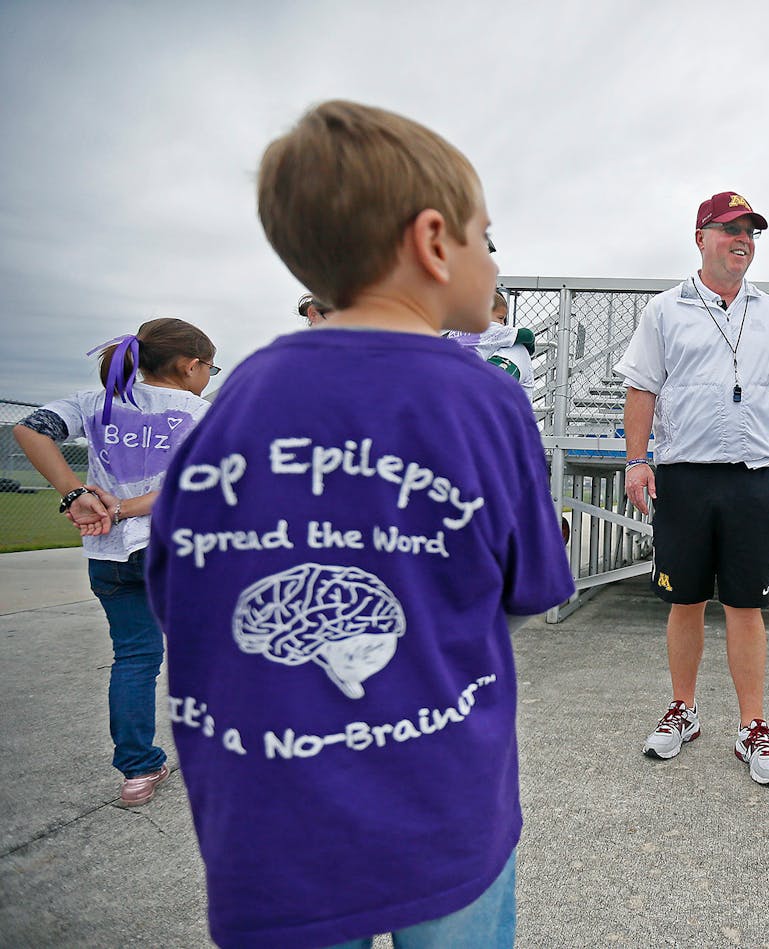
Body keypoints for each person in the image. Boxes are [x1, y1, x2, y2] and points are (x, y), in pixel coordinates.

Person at [144, 100, 574, 949]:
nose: (492, 261)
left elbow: (178, 590)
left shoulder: (232, 402)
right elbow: (529, 592)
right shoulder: (485, 400)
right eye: (487, 238)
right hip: (441, 814)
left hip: (269, 829)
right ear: (432, 242)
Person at [615, 191, 769, 787]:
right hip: (685, 475)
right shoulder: (665, 310)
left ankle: (752, 725)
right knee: (684, 600)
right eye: (730, 228)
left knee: (746, 604)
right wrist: (636, 460)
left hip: (754, 477)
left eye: (751, 231)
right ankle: (684, 709)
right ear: (700, 236)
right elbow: (642, 389)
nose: (742, 239)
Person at [13, 318, 217, 807]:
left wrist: (77, 494)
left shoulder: (95, 402)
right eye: (210, 366)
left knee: (134, 658)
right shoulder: (201, 413)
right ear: (191, 366)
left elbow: (30, 430)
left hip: (108, 551)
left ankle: (138, 774)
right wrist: (126, 507)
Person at [450, 291, 536, 400]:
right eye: (500, 318)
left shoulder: (454, 332)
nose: (502, 324)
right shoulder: (489, 328)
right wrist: (531, 347)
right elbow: (526, 335)